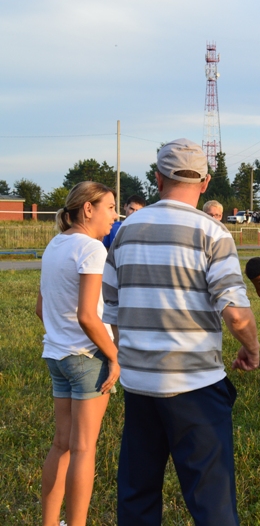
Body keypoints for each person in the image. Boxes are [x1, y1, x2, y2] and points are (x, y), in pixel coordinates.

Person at [103, 138, 260, 525]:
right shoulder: (213, 233)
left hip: (140, 386)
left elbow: (113, 310)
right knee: (212, 501)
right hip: (195, 385)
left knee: (137, 496)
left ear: (158, 179)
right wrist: (252, 349)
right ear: (205, 182)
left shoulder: (124, 231)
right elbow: (237, 315)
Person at [37, 181, 119, 526]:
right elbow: (88, 316)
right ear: (88, 209)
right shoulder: (92, 248)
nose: (115, 217)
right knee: (84, 449)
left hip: (57, 356)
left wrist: (61, 333)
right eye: (111, 207)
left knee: (62, 445)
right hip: (87, 359)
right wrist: (114, 355)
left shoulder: (55, 244)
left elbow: (41, 307)